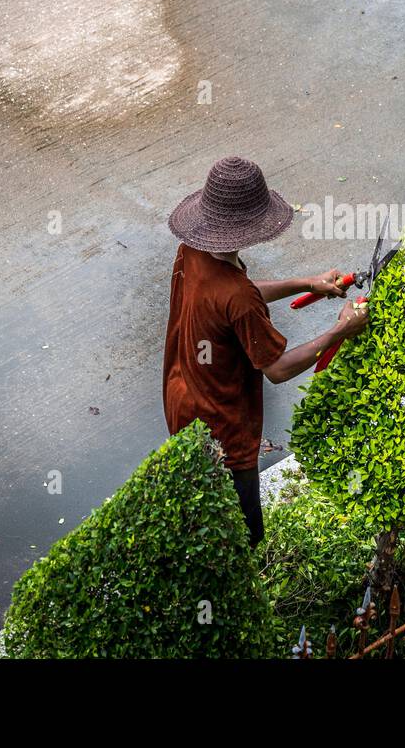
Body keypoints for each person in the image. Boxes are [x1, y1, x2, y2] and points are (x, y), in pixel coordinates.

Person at [163, 156, 369, 546]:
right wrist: (342, 329)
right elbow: (277, 368)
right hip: (224, 429)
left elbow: (236, 298)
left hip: (182, 398)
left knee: (203, 512)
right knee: (244, 537)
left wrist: (307, 283)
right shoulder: (236, 296)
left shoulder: (192, 251)